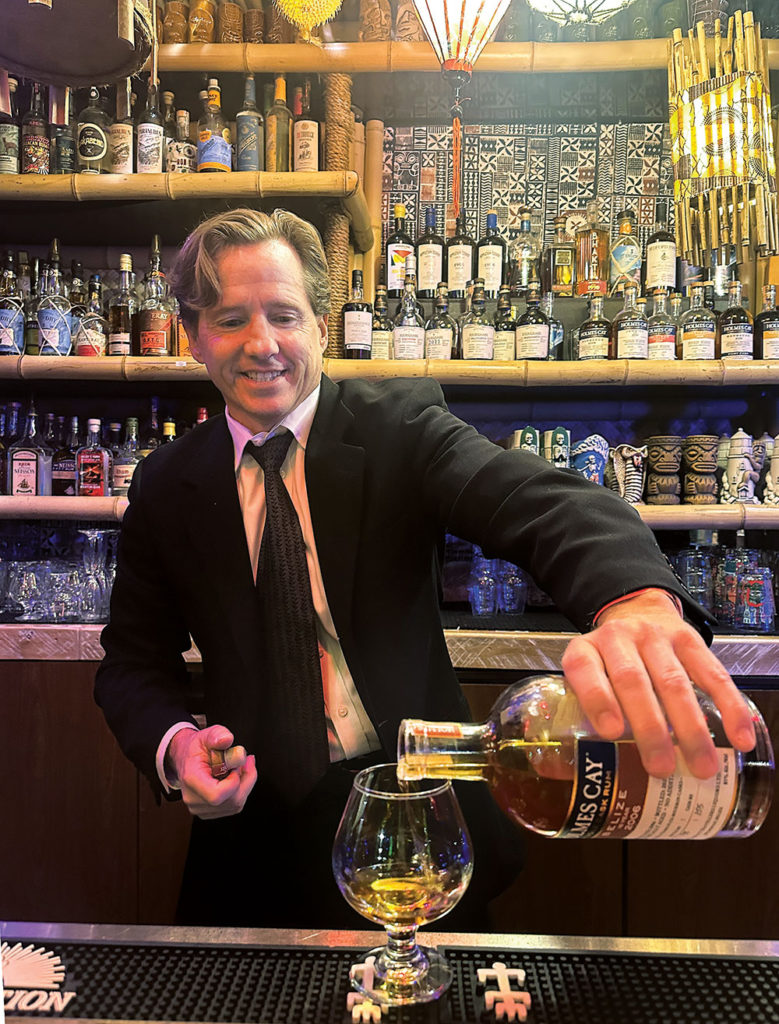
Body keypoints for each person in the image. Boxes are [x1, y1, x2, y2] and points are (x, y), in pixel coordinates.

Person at [95, 208, 756, 929]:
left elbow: (535, 501)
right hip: (247, 829)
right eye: (229, 320)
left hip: (418, 809)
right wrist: (176, 744)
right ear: (193, 338)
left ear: (320, 323)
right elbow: (131, 661)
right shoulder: (165, 483)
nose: (262, 344)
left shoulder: (399, 427)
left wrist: (633, 601)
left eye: (283, 314)